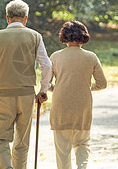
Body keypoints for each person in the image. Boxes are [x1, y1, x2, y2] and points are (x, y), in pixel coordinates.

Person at [0, 0, 51, 169]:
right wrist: (43, 89)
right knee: (22, 142)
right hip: (26, 95)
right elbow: (47, 65)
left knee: (0, 140)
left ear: (7, 18)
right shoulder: (35, 36)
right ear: (25, 19)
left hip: (3, 95)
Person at [45, 20, 107, 169]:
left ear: (64, 37)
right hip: (82, 106)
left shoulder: (55, 57)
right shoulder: (91, 57)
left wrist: (58, 88)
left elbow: (46, 83)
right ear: (83, 37)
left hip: (60, 106)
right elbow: (102, 84)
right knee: (82, 143)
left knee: (62, 149)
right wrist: (85, 87)